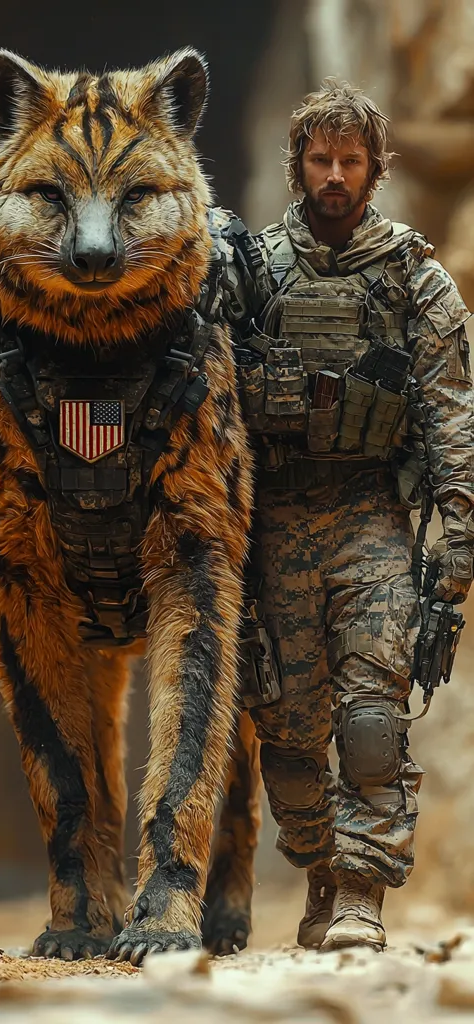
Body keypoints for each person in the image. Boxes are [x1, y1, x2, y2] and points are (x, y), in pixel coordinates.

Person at [221, 80, 474, 951]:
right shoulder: (250, 272)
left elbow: (451, 412)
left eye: (351, 160)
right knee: (287, 737)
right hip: (277, 522)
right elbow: (208, 402)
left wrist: (458, 534)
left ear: (374, 169)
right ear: (298, 166)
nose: (335, 175)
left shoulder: (414, 275)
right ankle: (323, 872)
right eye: (321, 159)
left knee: (372, 716)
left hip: (373, 519)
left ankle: (363, 891)